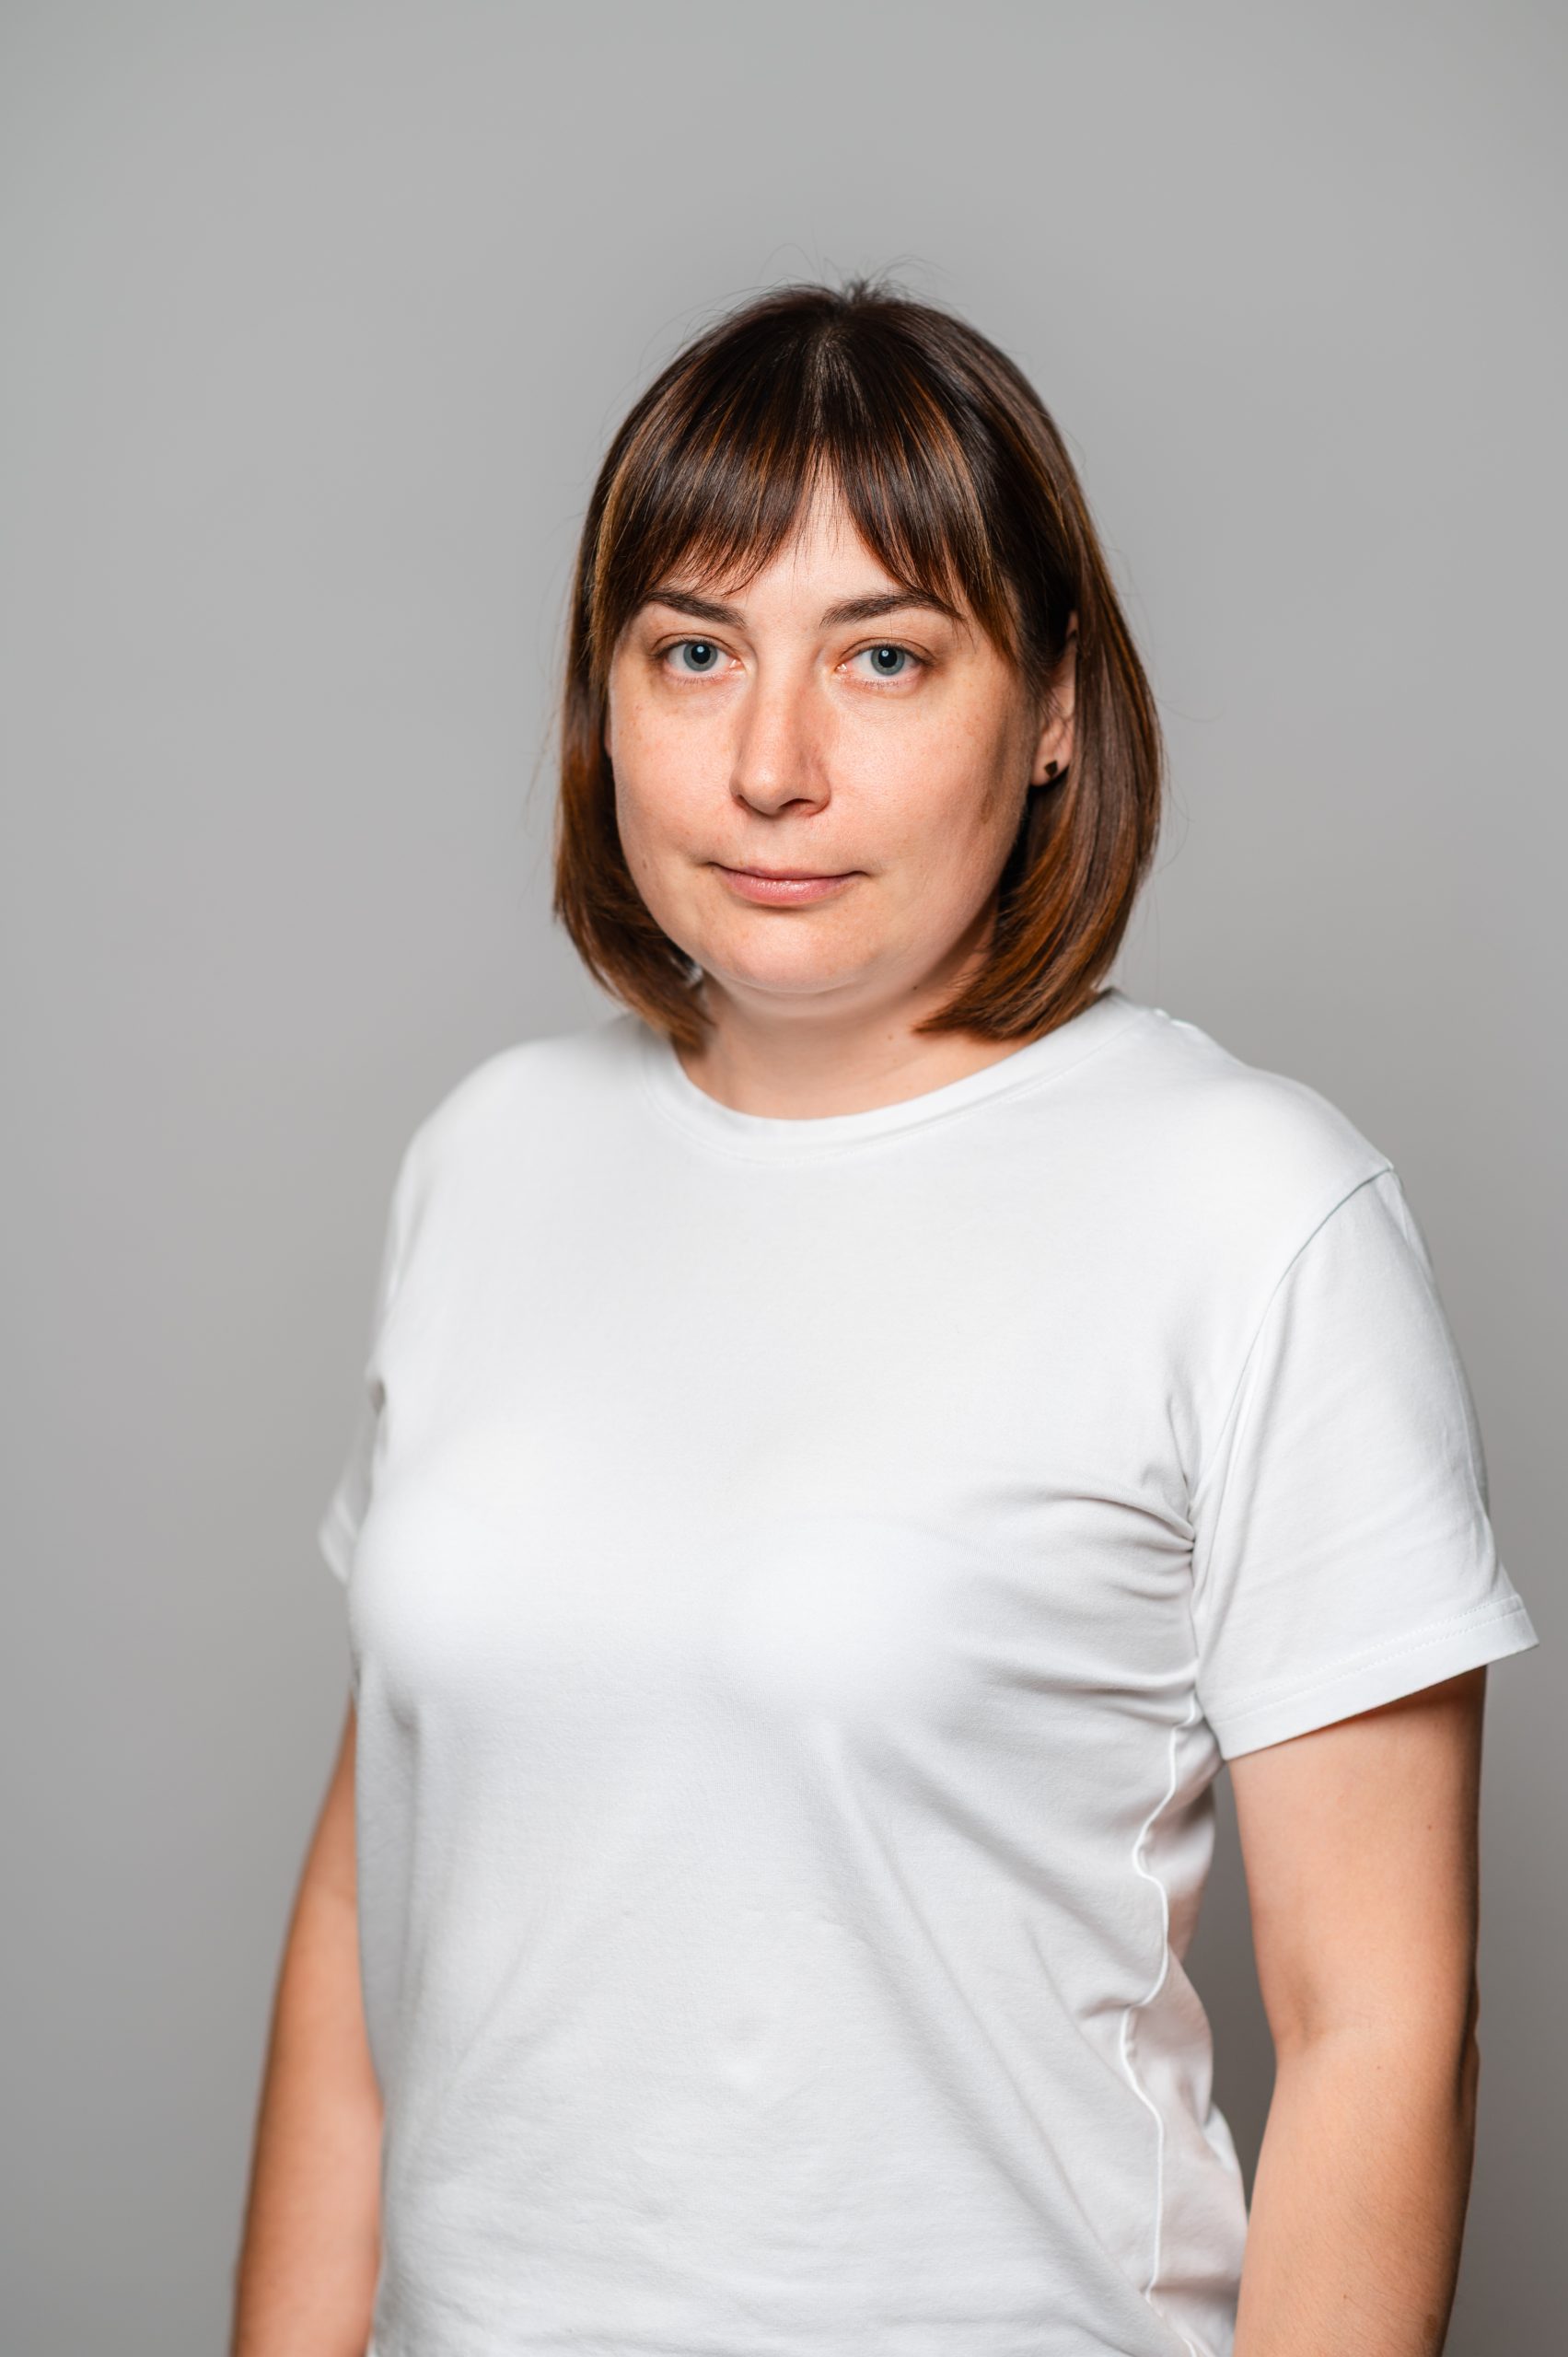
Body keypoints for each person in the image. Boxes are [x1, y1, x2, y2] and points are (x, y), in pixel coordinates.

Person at [232, 280, 1541, 2357]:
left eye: (887, 656)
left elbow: (1379, 2022)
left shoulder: (1251, 1210)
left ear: (1054, 709)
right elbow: (364, 1900)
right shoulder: (489, 1154)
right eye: (695, 651)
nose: (773, 765)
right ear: (605, 699)